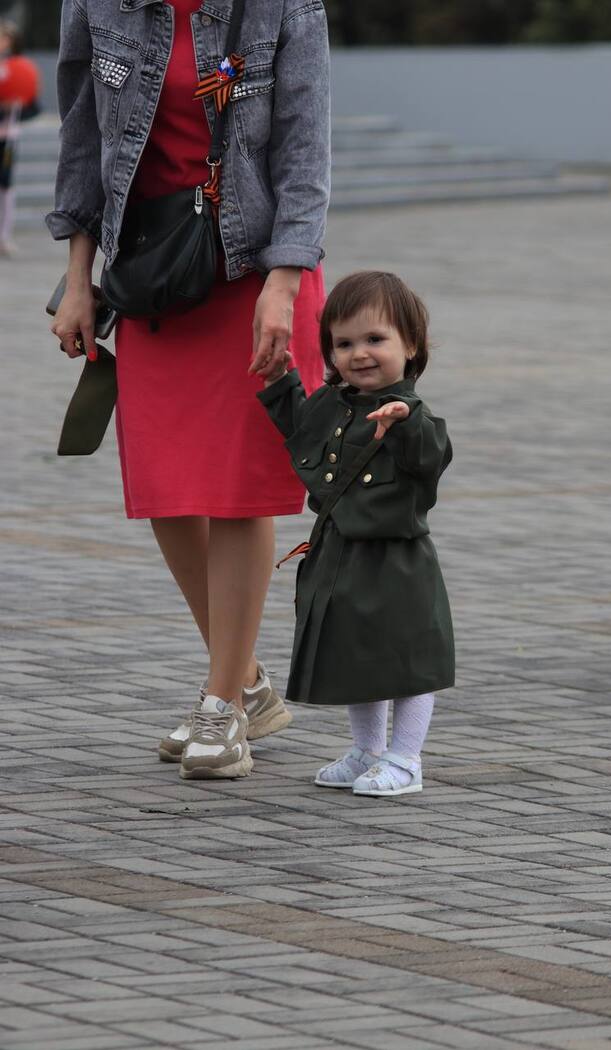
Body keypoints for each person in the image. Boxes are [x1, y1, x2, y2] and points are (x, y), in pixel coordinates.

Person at [48, 0, 330, 780]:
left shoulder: (283, 7)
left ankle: (222, 704)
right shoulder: (96, 4)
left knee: (237, 491)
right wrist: (78, 278)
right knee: (167, 490)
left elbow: (305, 151)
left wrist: (284, 285)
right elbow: (83, 142)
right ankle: (246, 682)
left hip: (254, 273)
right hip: (154, 272)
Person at [258, 271, 455, 797]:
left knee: (409, 663)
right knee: (357, 658)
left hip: (396, 561)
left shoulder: (416, 417)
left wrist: (405, 420)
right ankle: (368, 751)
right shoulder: (333, 403)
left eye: (375, 339)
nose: (359, 354)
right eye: (343, 343)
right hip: (339, 554)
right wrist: (281, 384)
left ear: (410, 345)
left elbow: (430, 457)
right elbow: (304, 433)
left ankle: (406, 759)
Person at [0, 19, 40, 256]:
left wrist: (17, 106)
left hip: (8, 138)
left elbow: (33, 106)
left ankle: (4, 236)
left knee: (5, 185)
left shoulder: (20, 68)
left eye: (5, 38)